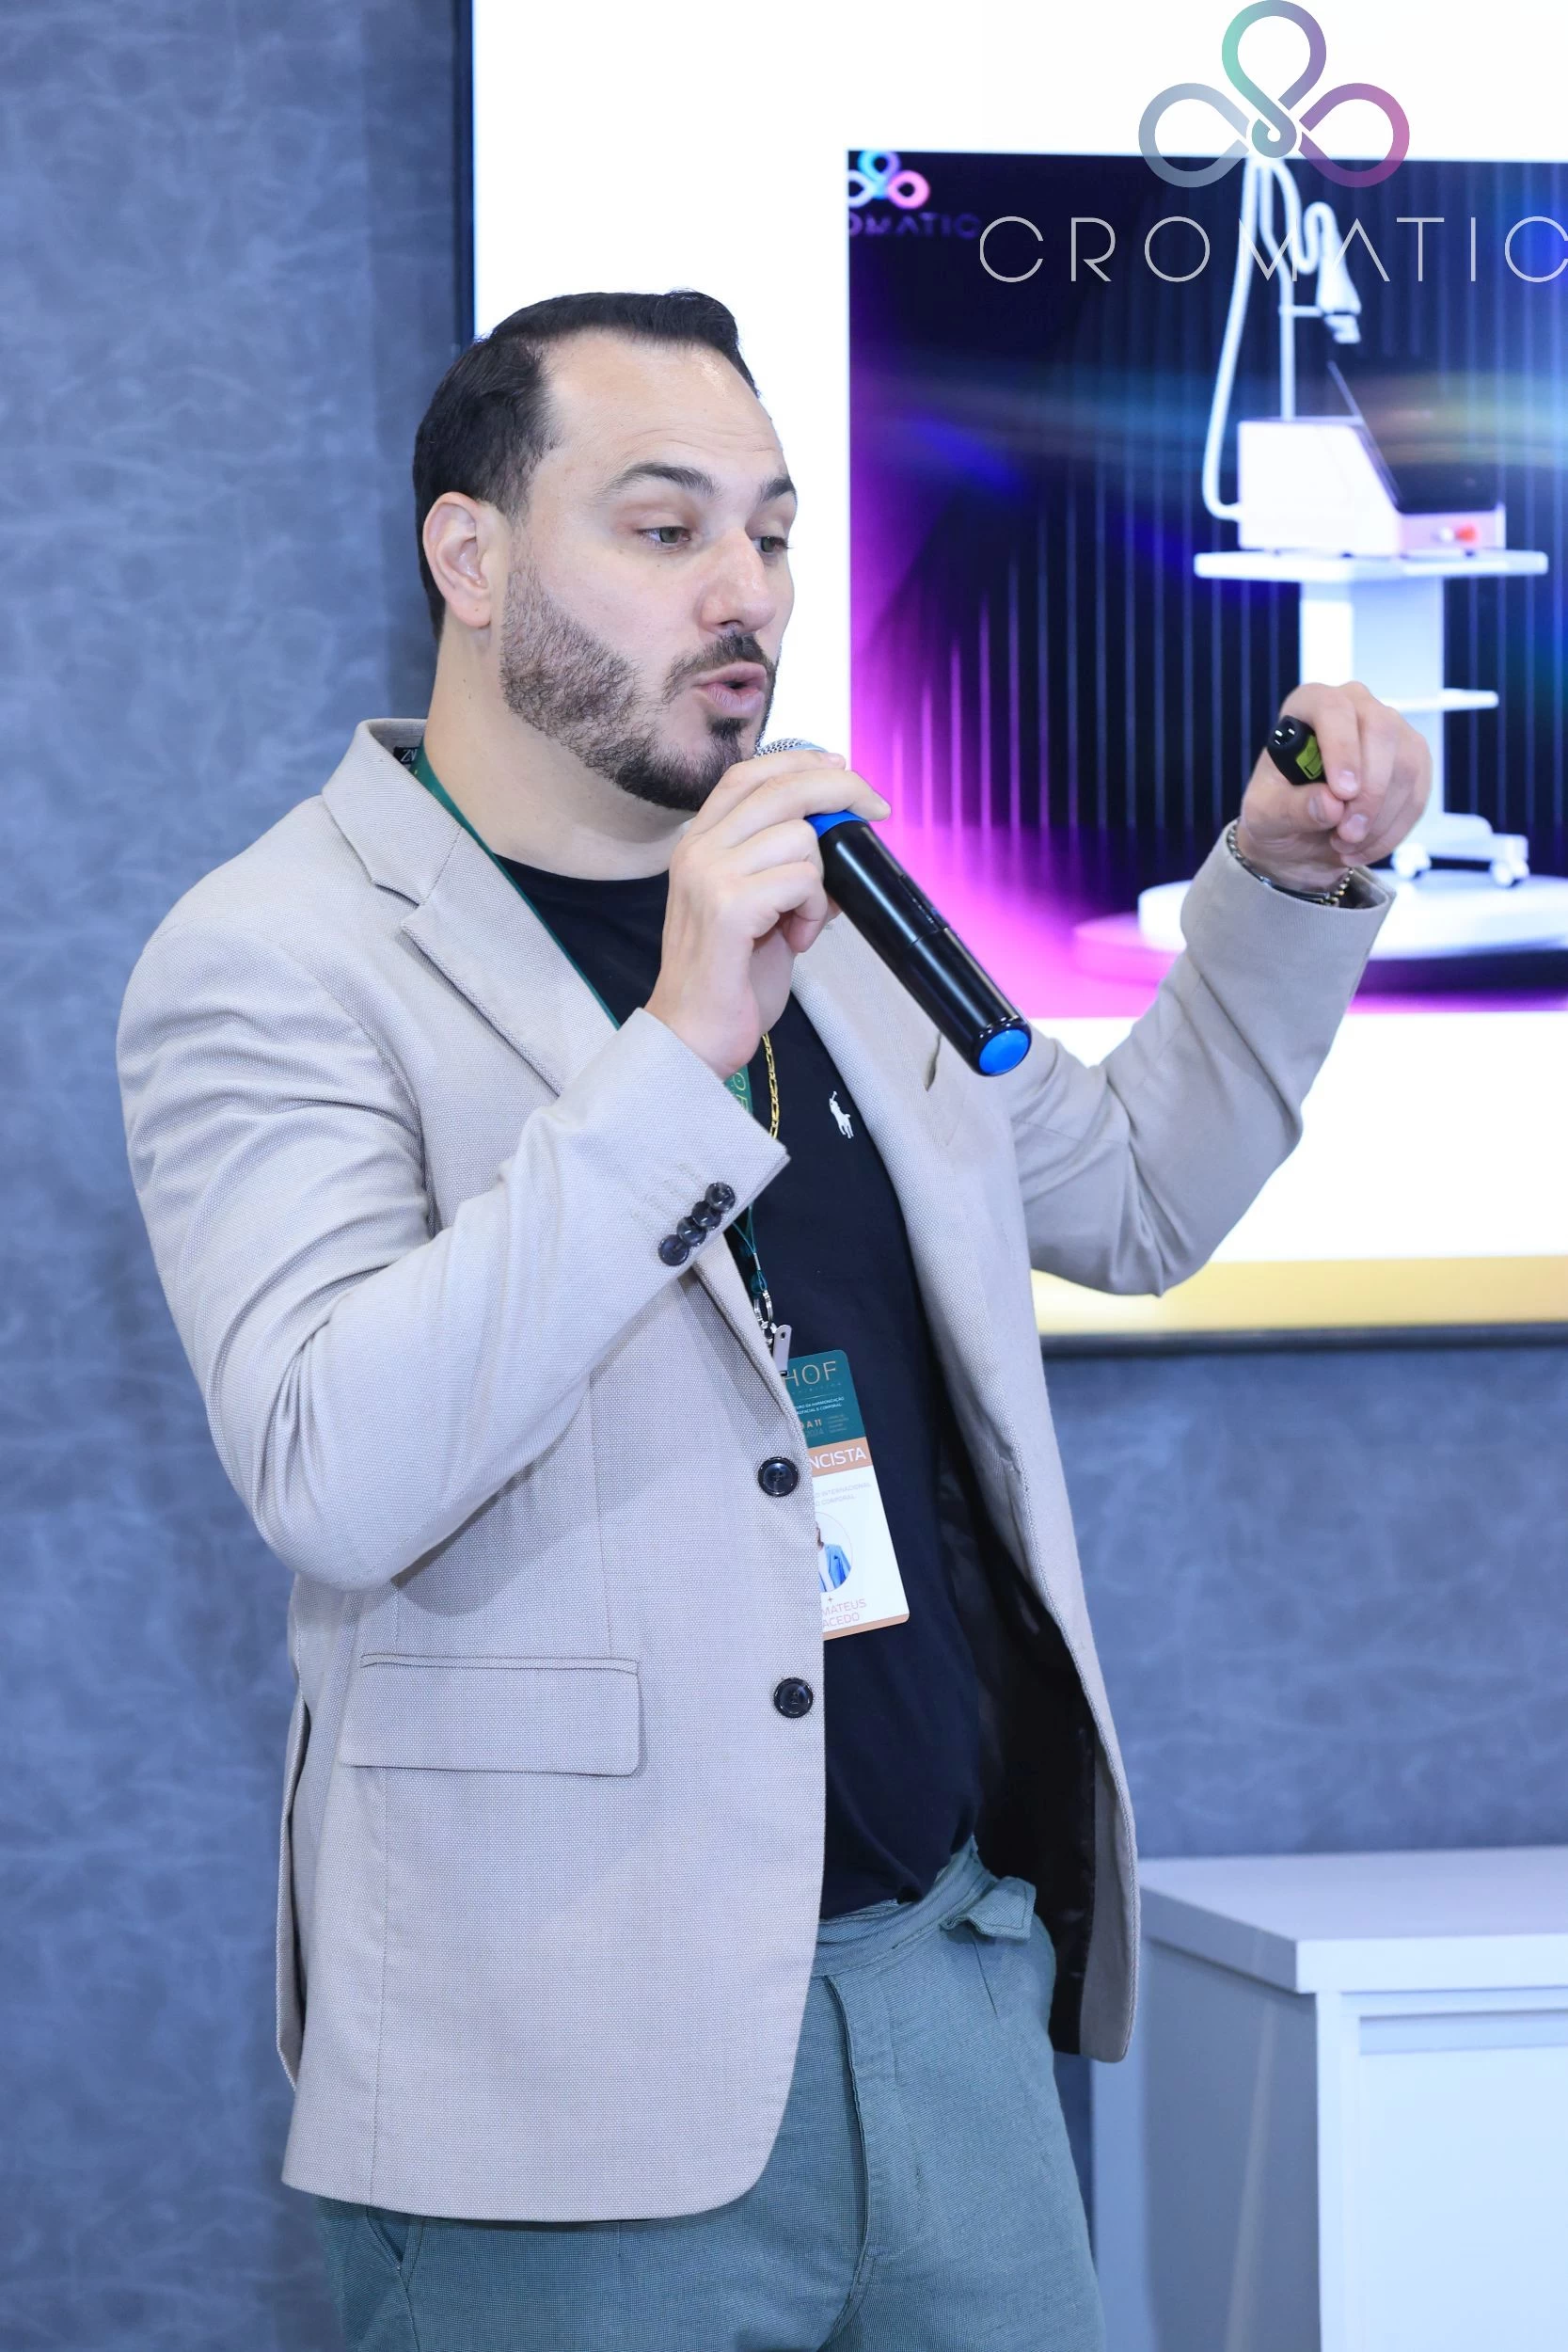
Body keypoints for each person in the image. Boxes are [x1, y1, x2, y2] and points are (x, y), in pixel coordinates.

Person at [116, 289, 1428, 2352]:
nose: (744, 592)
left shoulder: (836, 896)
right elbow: (333, 1466)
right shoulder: (275, 955)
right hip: (559, 2075)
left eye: (774, 531)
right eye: (662, 530)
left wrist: (1276, 886)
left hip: (946, 2004)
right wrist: (677, 1048)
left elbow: (1130, 1195)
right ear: (469, 556)